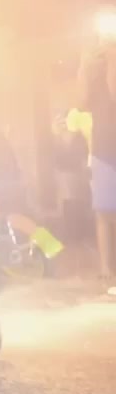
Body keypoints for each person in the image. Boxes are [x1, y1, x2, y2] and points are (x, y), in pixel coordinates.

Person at [78, 41, 116, 296]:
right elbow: (81, 102)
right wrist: (83, 64)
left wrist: (112, 60)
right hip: (103, 152)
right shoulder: (96, 80)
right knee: (103, 213)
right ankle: (106, 270)